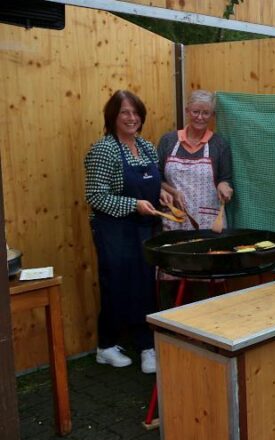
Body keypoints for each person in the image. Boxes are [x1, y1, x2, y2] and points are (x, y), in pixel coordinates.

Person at [84, 90, 172, 374]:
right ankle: (106, 346)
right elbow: (96, 196)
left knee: (146, 284)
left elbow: (153, 183)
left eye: (135, 112)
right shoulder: (104, 150)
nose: (131, 118)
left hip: (144, 227)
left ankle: (147, 346)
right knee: (117, 285)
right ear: (113, 116)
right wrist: (134, 204)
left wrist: (164, 194)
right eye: (125, 112)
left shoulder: (146, 147)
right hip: (114, 229)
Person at [158, 90, 233, 229]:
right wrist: (172, 192)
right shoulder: (168, 141)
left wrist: (224, 186)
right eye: (195, 112)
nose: (200, 117)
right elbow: (157, 177)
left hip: (209, 222)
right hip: (175, 219)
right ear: (187, 111)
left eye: (206, 113)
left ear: (212, 115)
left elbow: (226, 179)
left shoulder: (219, 144)